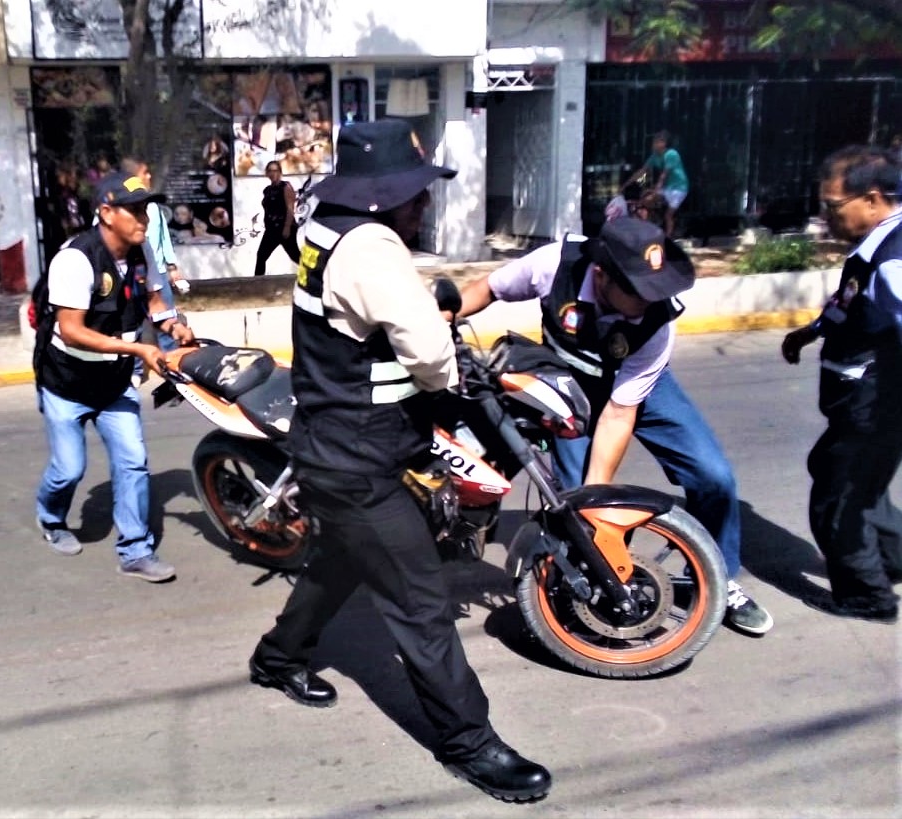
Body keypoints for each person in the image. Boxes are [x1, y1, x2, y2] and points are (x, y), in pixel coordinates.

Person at [248, 120, 552, 804]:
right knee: (420, 602)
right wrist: (444, 371)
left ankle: (276, 658)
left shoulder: (322, 229)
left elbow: (362, 319)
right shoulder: (373, 247)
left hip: (332, 442)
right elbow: (427, 353)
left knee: (343, 561)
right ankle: (469, 743)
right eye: (416, 193)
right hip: (358, 458)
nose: (424, 204)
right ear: (385, 198)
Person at [459, 216, 773, 638]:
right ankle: (601, 582)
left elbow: (620, 414)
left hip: (639, 387)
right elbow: (487, 290)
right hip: (570, 383)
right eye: (638, 290)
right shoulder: (553, 265)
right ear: (601, 275)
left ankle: (720, 577)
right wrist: (435, 319)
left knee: (713, 475)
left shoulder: (657, 320)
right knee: (574, 496)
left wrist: (598, 492)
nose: (649, 300)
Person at [33, 171, 177, 583]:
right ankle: (51, 517)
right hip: (67, 382)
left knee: (133, 462)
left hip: (113, 383)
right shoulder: (75, 259)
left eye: (145, 211)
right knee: (69, 469)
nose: (143, 220)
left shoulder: (140, 250)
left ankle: (135, 551)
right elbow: (72, 330)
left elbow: (151, 299)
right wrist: (139, 350)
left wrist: (171, 326)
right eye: (133, 212)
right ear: (106, 212)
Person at [781, 145, 902, 623]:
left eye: (833, 206)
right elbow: (850, 302)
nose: (825, 216)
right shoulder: (877, 249)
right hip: (865, 400)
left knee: (840, 495)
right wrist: (810, 331)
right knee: (862, 484)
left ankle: (866, 595)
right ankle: (890, 561)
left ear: (871, 200)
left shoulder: (894, 262)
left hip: (875, 403)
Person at [122, 158, 192, 354]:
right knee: (129, 326)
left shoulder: (154, 209)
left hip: (157, 272)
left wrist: (172, 267)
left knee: (165, 314)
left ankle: (171, 357)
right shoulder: (85, 254)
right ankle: (133, 369)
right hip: (129, 278)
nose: (150, 176)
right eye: (145, 172)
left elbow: (164, 239)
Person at [621, 131, 689, 238]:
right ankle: (650, 226)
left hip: (679, 189)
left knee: (668, 215)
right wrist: (625, 185)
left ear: (663, 143)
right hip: (666, 188)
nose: (653, 145)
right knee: (645, 199)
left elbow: (664, 174)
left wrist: (657, 189)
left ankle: (668, 238)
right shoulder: (654, 156)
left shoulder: (671, 154)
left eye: (655, 142)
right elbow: (642, 172)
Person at [252, 160, 301, 277]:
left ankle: (318, 276)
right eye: (270, 171)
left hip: (284, 227)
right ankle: (256, 284)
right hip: (271, 230)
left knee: (295, 256)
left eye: (275, 171)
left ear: (280, 172)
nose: (273, 173)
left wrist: (287, 227)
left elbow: (290, 208)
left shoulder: (286, 187)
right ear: (266, 173)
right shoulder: (267, 190)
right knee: (261, 255)